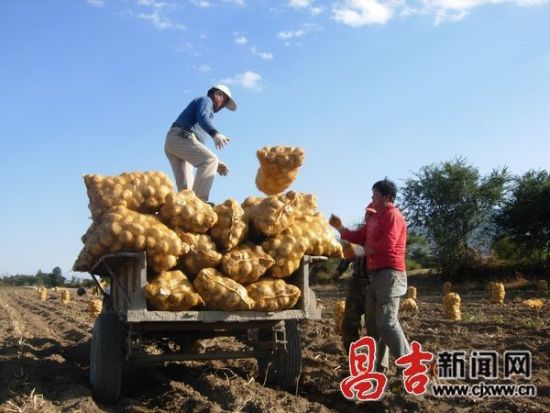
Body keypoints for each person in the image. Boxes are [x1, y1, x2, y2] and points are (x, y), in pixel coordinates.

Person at [330, 178, 410, 373]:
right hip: (376, 277)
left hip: (390, 275)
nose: (372, 198)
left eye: (375, 195)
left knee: (387, 323)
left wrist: (359, 252)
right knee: (374, 326)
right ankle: (377, 369)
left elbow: (388, 244)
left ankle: (408, 365)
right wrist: (340, 228)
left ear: (387, 197)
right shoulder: (375, 218)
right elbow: (357, 236)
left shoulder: (392, 215)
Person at [164, 85, 237, 201]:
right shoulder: (206, 100)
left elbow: (196, 145)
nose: (224, 106)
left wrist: (217, 162)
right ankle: (198, 204)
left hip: (175, 141)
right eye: (225, 101)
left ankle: (186, 211)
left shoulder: (206, 108)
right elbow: (202, 118)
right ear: (217, 94)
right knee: (210, 160)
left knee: (186, 192)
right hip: (180, 137)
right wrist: (215, 134)